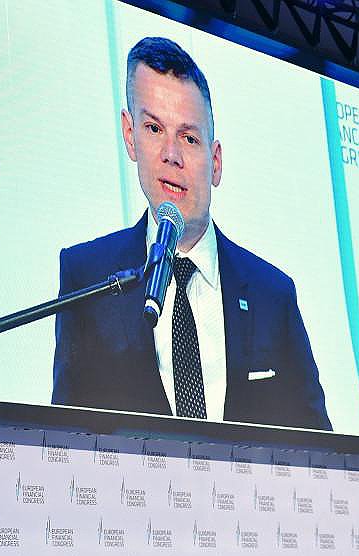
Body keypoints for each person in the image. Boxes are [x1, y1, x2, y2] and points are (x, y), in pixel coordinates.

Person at [52, 36, 331, 431]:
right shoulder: (88, 277)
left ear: (215, 162)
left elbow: (317, 446)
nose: (171, 155)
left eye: (188, 138)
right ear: (130, 136)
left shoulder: (273, 294)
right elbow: (65, 442)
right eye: (153, 128)